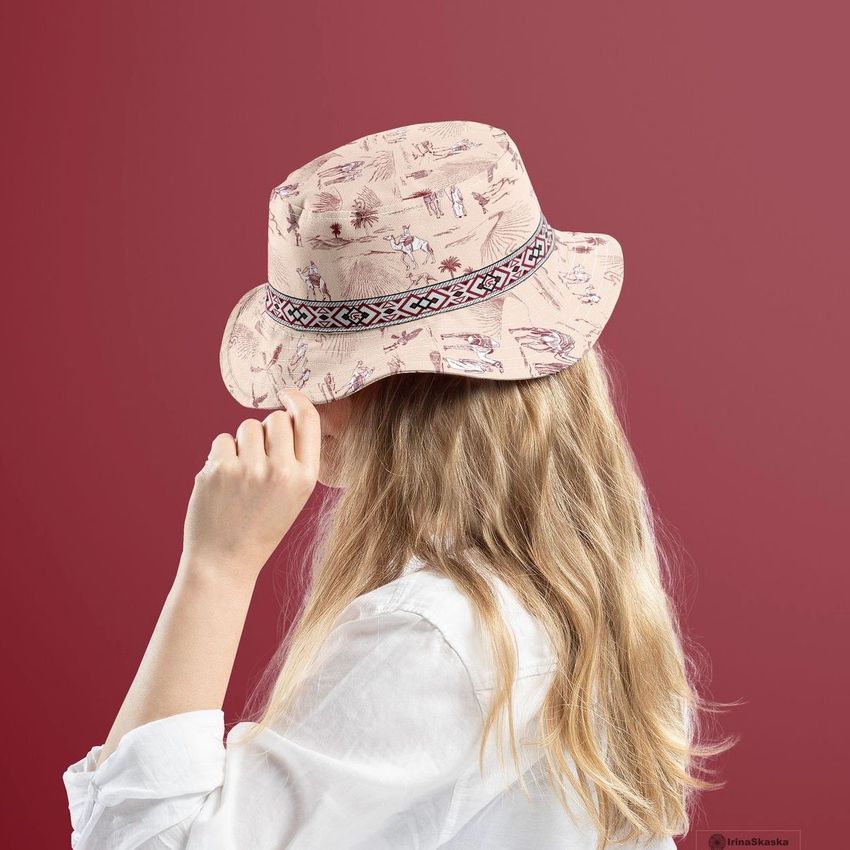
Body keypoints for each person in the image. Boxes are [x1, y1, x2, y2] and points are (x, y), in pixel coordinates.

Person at [63, 120, 733, 849]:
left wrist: (215, 571)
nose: (294, 399)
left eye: (315, 368)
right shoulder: (573, 588)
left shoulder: (437, 634)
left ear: (377, 392)